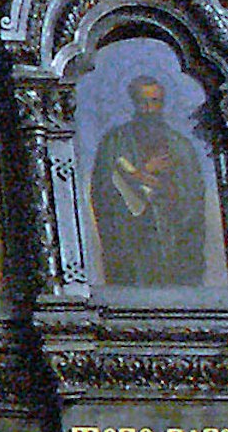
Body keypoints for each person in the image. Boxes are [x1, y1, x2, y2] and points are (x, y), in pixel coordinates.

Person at [88, 73, 210, 286]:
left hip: (172, 242)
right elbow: (103, 191)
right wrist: (140, 174)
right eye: (142, 101)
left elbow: (193, 196)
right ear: (134, 103)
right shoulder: (115, 142)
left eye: (154, 101)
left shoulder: (179, 146)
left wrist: (162, 186)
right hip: (131, 240)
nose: (148, 108)